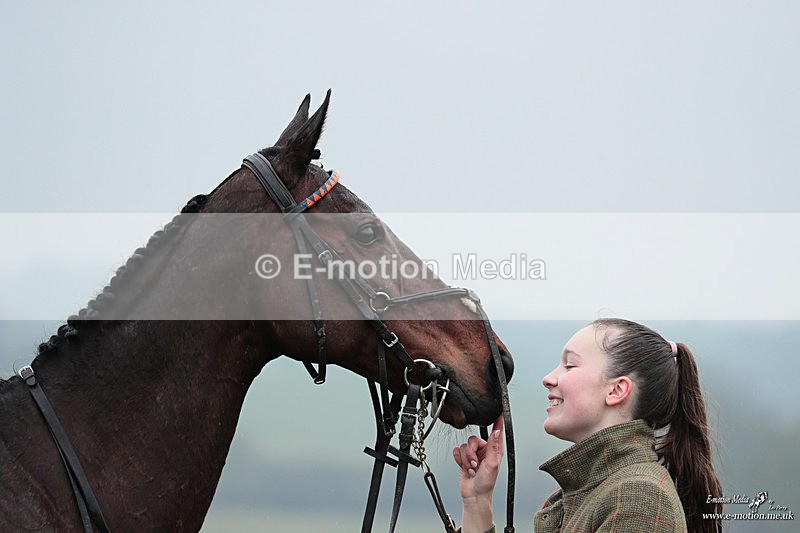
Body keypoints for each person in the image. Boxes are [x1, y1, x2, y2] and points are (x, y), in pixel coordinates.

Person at [453, 318, 723, 533]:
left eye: (569, 365)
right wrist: (477, 502)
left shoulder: (638, 496)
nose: (548, 378)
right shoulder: (593, 493)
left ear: (617, 390)